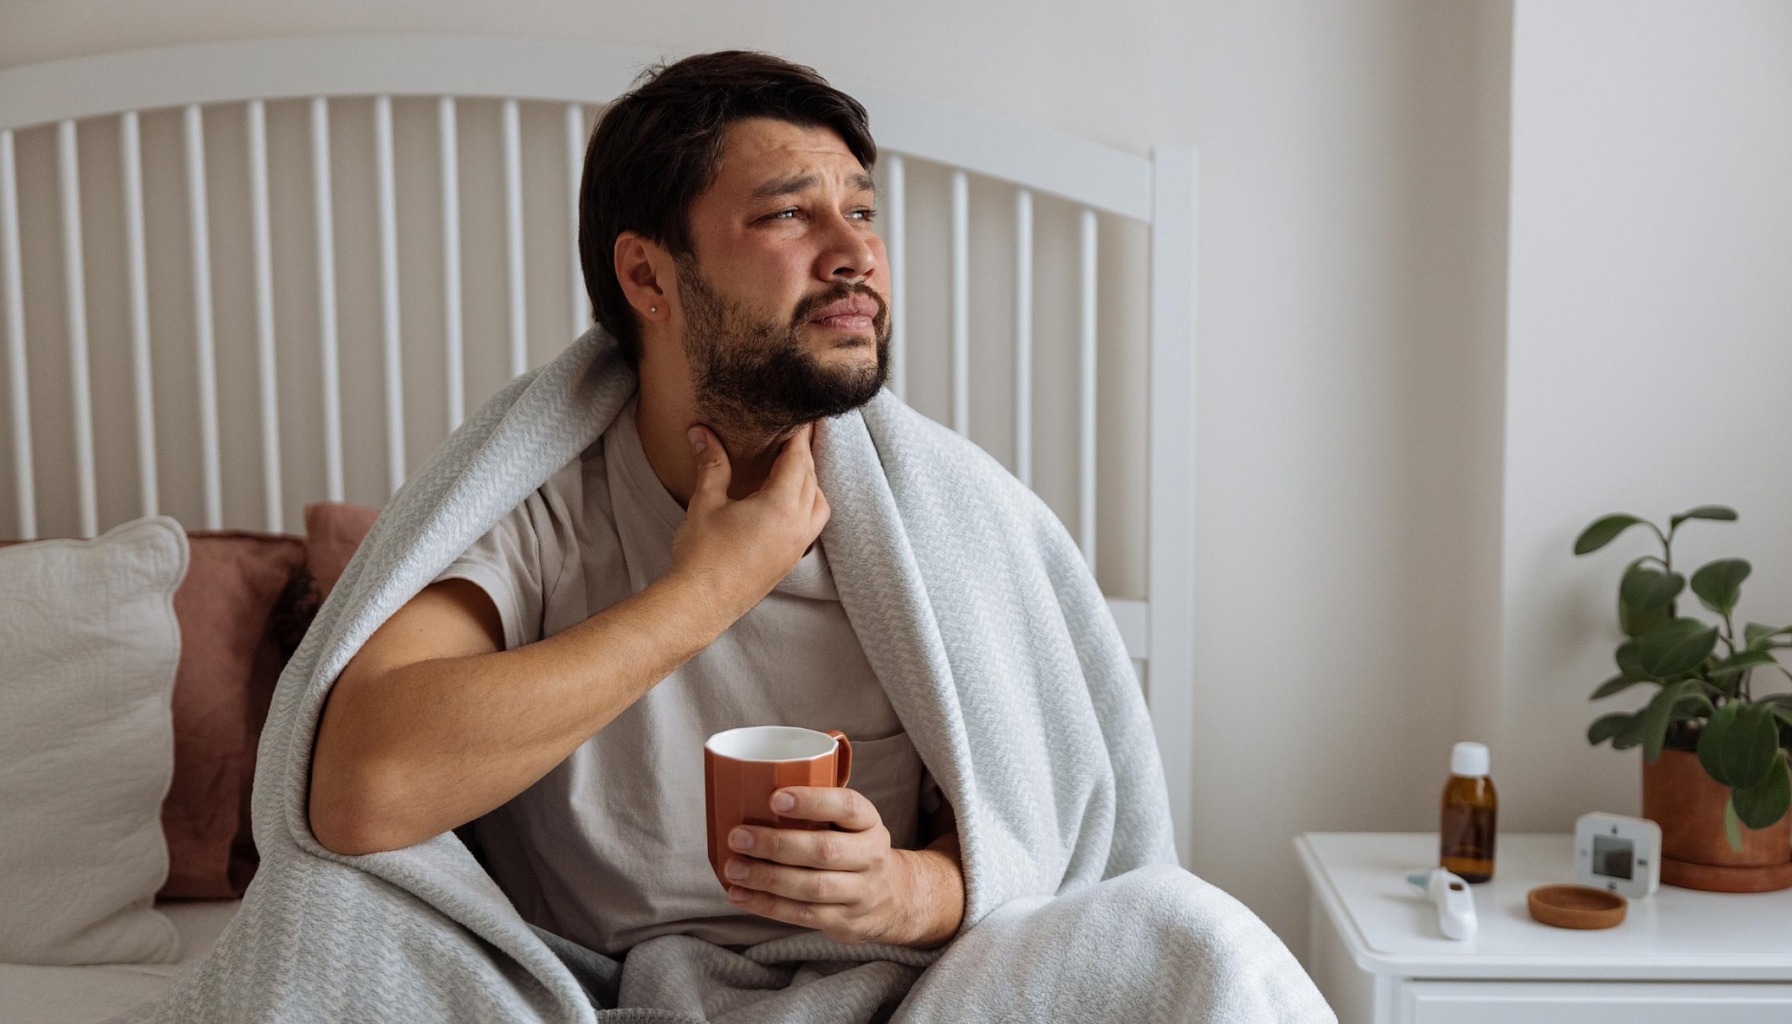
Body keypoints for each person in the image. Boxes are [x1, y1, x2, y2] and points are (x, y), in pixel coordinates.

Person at [306, 49, 966, 959]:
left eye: (860, 211)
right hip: (582, 989)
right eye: (787, 213)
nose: (856, 255)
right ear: (648, 279)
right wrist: (705, 593)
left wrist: (905, 892)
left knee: (1189, 934)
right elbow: (359, 793)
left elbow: (1043, 832)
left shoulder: (947, 519)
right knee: (313, 925)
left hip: (893, 989)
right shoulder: (539, 499)